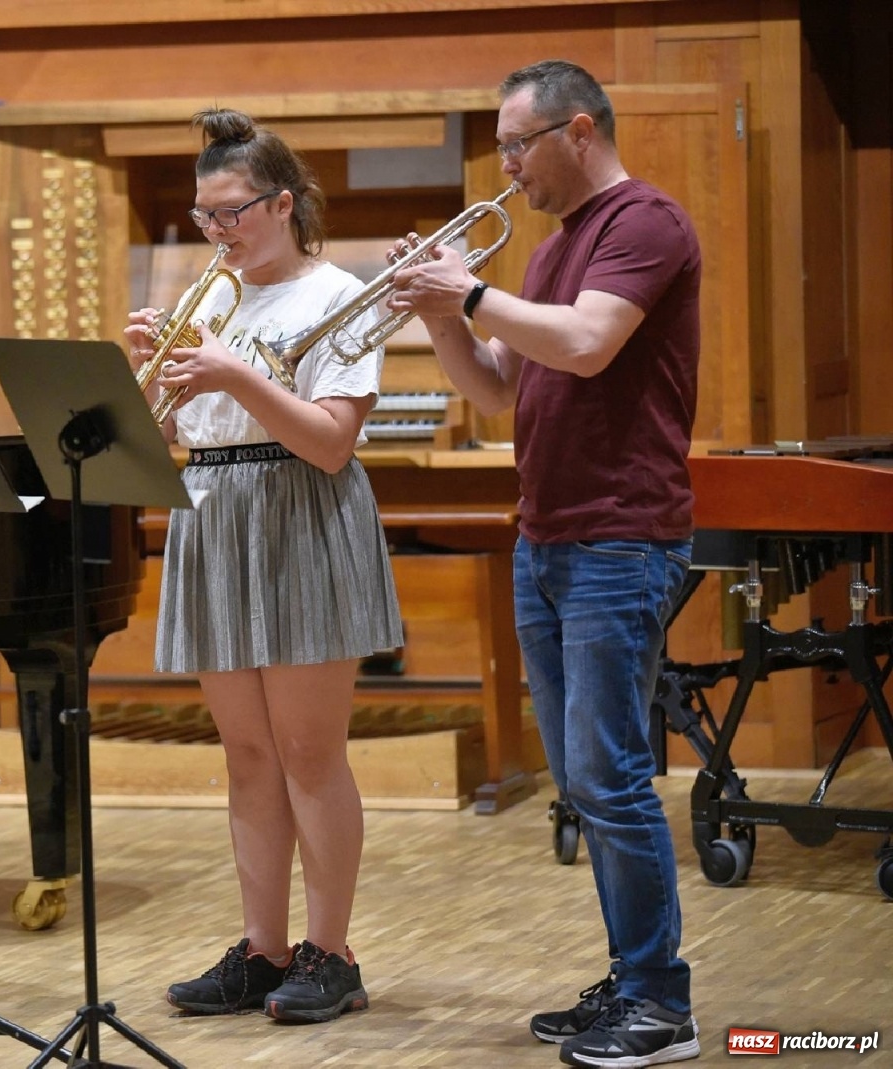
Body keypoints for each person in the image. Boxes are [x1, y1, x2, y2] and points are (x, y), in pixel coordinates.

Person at [388, 60, 701, 1067]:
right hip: (547, 537)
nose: (507, 167)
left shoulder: (643, 222)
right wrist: (441, 312)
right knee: (581, 779)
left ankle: (661, 1002)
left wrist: (468, 288)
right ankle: (628, 977)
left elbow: (587, 345)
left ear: (576, 131)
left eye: (516, 145)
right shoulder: (553, 245)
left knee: (609, 778)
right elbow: (491, 392)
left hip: (620, 537)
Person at [125, 108, 403, 1025]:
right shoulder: (213, 299)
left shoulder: (337, 296)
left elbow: (329, 444)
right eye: (203, 216)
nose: (215, 233)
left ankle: (333, 951)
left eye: (230, 212)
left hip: (300, 512)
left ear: (282, 204)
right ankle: (264, 947)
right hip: (214, 513)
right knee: (247, 754)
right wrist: (155, 382)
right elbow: (177, 439)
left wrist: (233, 376)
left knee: (308, 751)